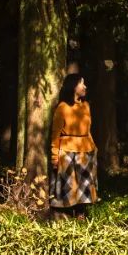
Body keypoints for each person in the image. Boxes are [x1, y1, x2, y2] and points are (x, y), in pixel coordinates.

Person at [49, 73, 99, 219]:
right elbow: (55, 135)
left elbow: (88, 130)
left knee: (84, 185)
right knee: (69, 186)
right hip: (67, 151)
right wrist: (54, 157)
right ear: (73, 87)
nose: (85, 86)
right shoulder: (62, 108)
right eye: (81, 83)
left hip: (86, 150)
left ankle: (81, 215)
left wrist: (94, 148)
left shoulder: (86, 106)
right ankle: (65, 215)